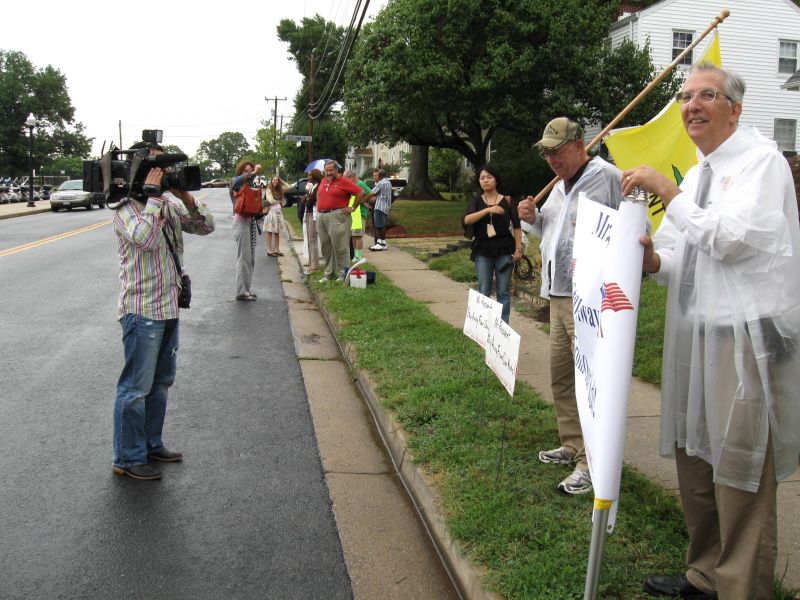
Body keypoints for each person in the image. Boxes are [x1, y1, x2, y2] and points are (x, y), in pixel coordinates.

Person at [623, 63, 800, 600]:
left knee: (740, 468)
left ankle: (742, 587)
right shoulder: (699, 173)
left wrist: (665, 189)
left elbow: (728, 240)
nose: (691, 105)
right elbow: (684, 255)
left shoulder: (760, 163)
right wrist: (654, 260)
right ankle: (704, 574)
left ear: (735, 110)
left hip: (743, 342)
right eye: (685, 96)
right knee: (695, 457)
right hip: (693, 336)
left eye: (706, 95)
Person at [517, 117, 624, 495]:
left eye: (557, 151)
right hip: (559, 295)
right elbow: (551, 230)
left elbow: (632, 230)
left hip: (591, 299)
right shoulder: (559, 187)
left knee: (590, 382)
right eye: (546, 153)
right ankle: (572, 443)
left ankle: (591, 463)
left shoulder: (607, 178)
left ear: (580, 146)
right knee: (562, 377)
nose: (551, 159)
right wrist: (533, 219)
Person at [112, 143, 215, 480]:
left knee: (160, 384)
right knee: (135, 388)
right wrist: (154, 198)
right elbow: (144, 240)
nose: (163, 174)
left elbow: (205, 227)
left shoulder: (168, 205)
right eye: (156, 167)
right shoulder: (126, 210)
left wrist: (185, 197)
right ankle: (127, 458)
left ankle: (151, 443)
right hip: (141, 311)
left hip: (169, 307)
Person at [462, 165, 521, 324]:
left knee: (503, 292)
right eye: (482, 178)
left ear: (496, 180)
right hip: (483, 250)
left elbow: (517, 226)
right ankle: (484, 327)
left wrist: (518, 249)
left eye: (489, 177)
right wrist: (488, 210)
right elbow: (467, 219)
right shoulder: (476, 201)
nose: (485, 180)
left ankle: (502, 327)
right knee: (484, 290)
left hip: (504, 249)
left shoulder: (507, 200)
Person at [316, 160, 366, 282]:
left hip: (337, 215)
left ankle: (343, 273)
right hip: (322, 216)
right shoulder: (323, 181)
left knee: (340, 246)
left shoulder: (344, 181)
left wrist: (353, 207)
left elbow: (360, 192)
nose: (329, 173)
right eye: (326, 170)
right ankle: (329, 274)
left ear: (337, 170)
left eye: (331, 170)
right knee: (325, 246)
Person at [230, 160, 262, 300]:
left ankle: (246, 289)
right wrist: (253, 172)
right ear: (240, 172)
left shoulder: (249, 186)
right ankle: (241, 292)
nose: (249, 173)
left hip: (250, 223)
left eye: (250, 170)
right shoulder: (236, 183)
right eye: (246, 171)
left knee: (250, 259)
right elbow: (236, 181)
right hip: (241, 223)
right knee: (244, 258)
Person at [344, 169, 372, 263]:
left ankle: (358, 256)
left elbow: (370, 193)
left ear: (352, 177)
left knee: (358, 235)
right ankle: (356, 255)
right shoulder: (353, 185)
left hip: (359, 213)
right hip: (354, 213)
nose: (346, 181)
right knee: (354, 235)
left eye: (347, 179)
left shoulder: (360, 183)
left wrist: (362, 201)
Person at [302, 168, 323, 274]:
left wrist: (306, 199)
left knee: (312, 240)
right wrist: (306, 199)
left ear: (315, 176)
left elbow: (309, 202)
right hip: (308, 214)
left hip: (314, 215)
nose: (308, 177)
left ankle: (315, 266)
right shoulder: (312, 187)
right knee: (309, 240)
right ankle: (311, 264)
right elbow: (304, 199)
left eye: (310, 175)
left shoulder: (318, 187)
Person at [263, 175, 290, 257]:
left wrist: (281, 180)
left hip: (278, 213)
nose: (275, 181)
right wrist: (279, 201)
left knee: (277, 231)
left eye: (277, 180)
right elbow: (271, 200)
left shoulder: (280, 189)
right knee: (269, 231)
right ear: (271, 181)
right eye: (274, 180)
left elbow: (288, 187)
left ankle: (277, 250)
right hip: (271, 212)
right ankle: (269, 250)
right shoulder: (269, 189)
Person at [369, 169, 393, 251]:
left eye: (377, 175)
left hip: (379, 206)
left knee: (378, 225)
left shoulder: (381, 183)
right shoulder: (389, 183)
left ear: (379, 175)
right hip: (386, 207)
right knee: (382, 225)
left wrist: (363, 200)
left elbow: (371, 193)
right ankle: (383, 243)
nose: (375, 177)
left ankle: (378, 244)